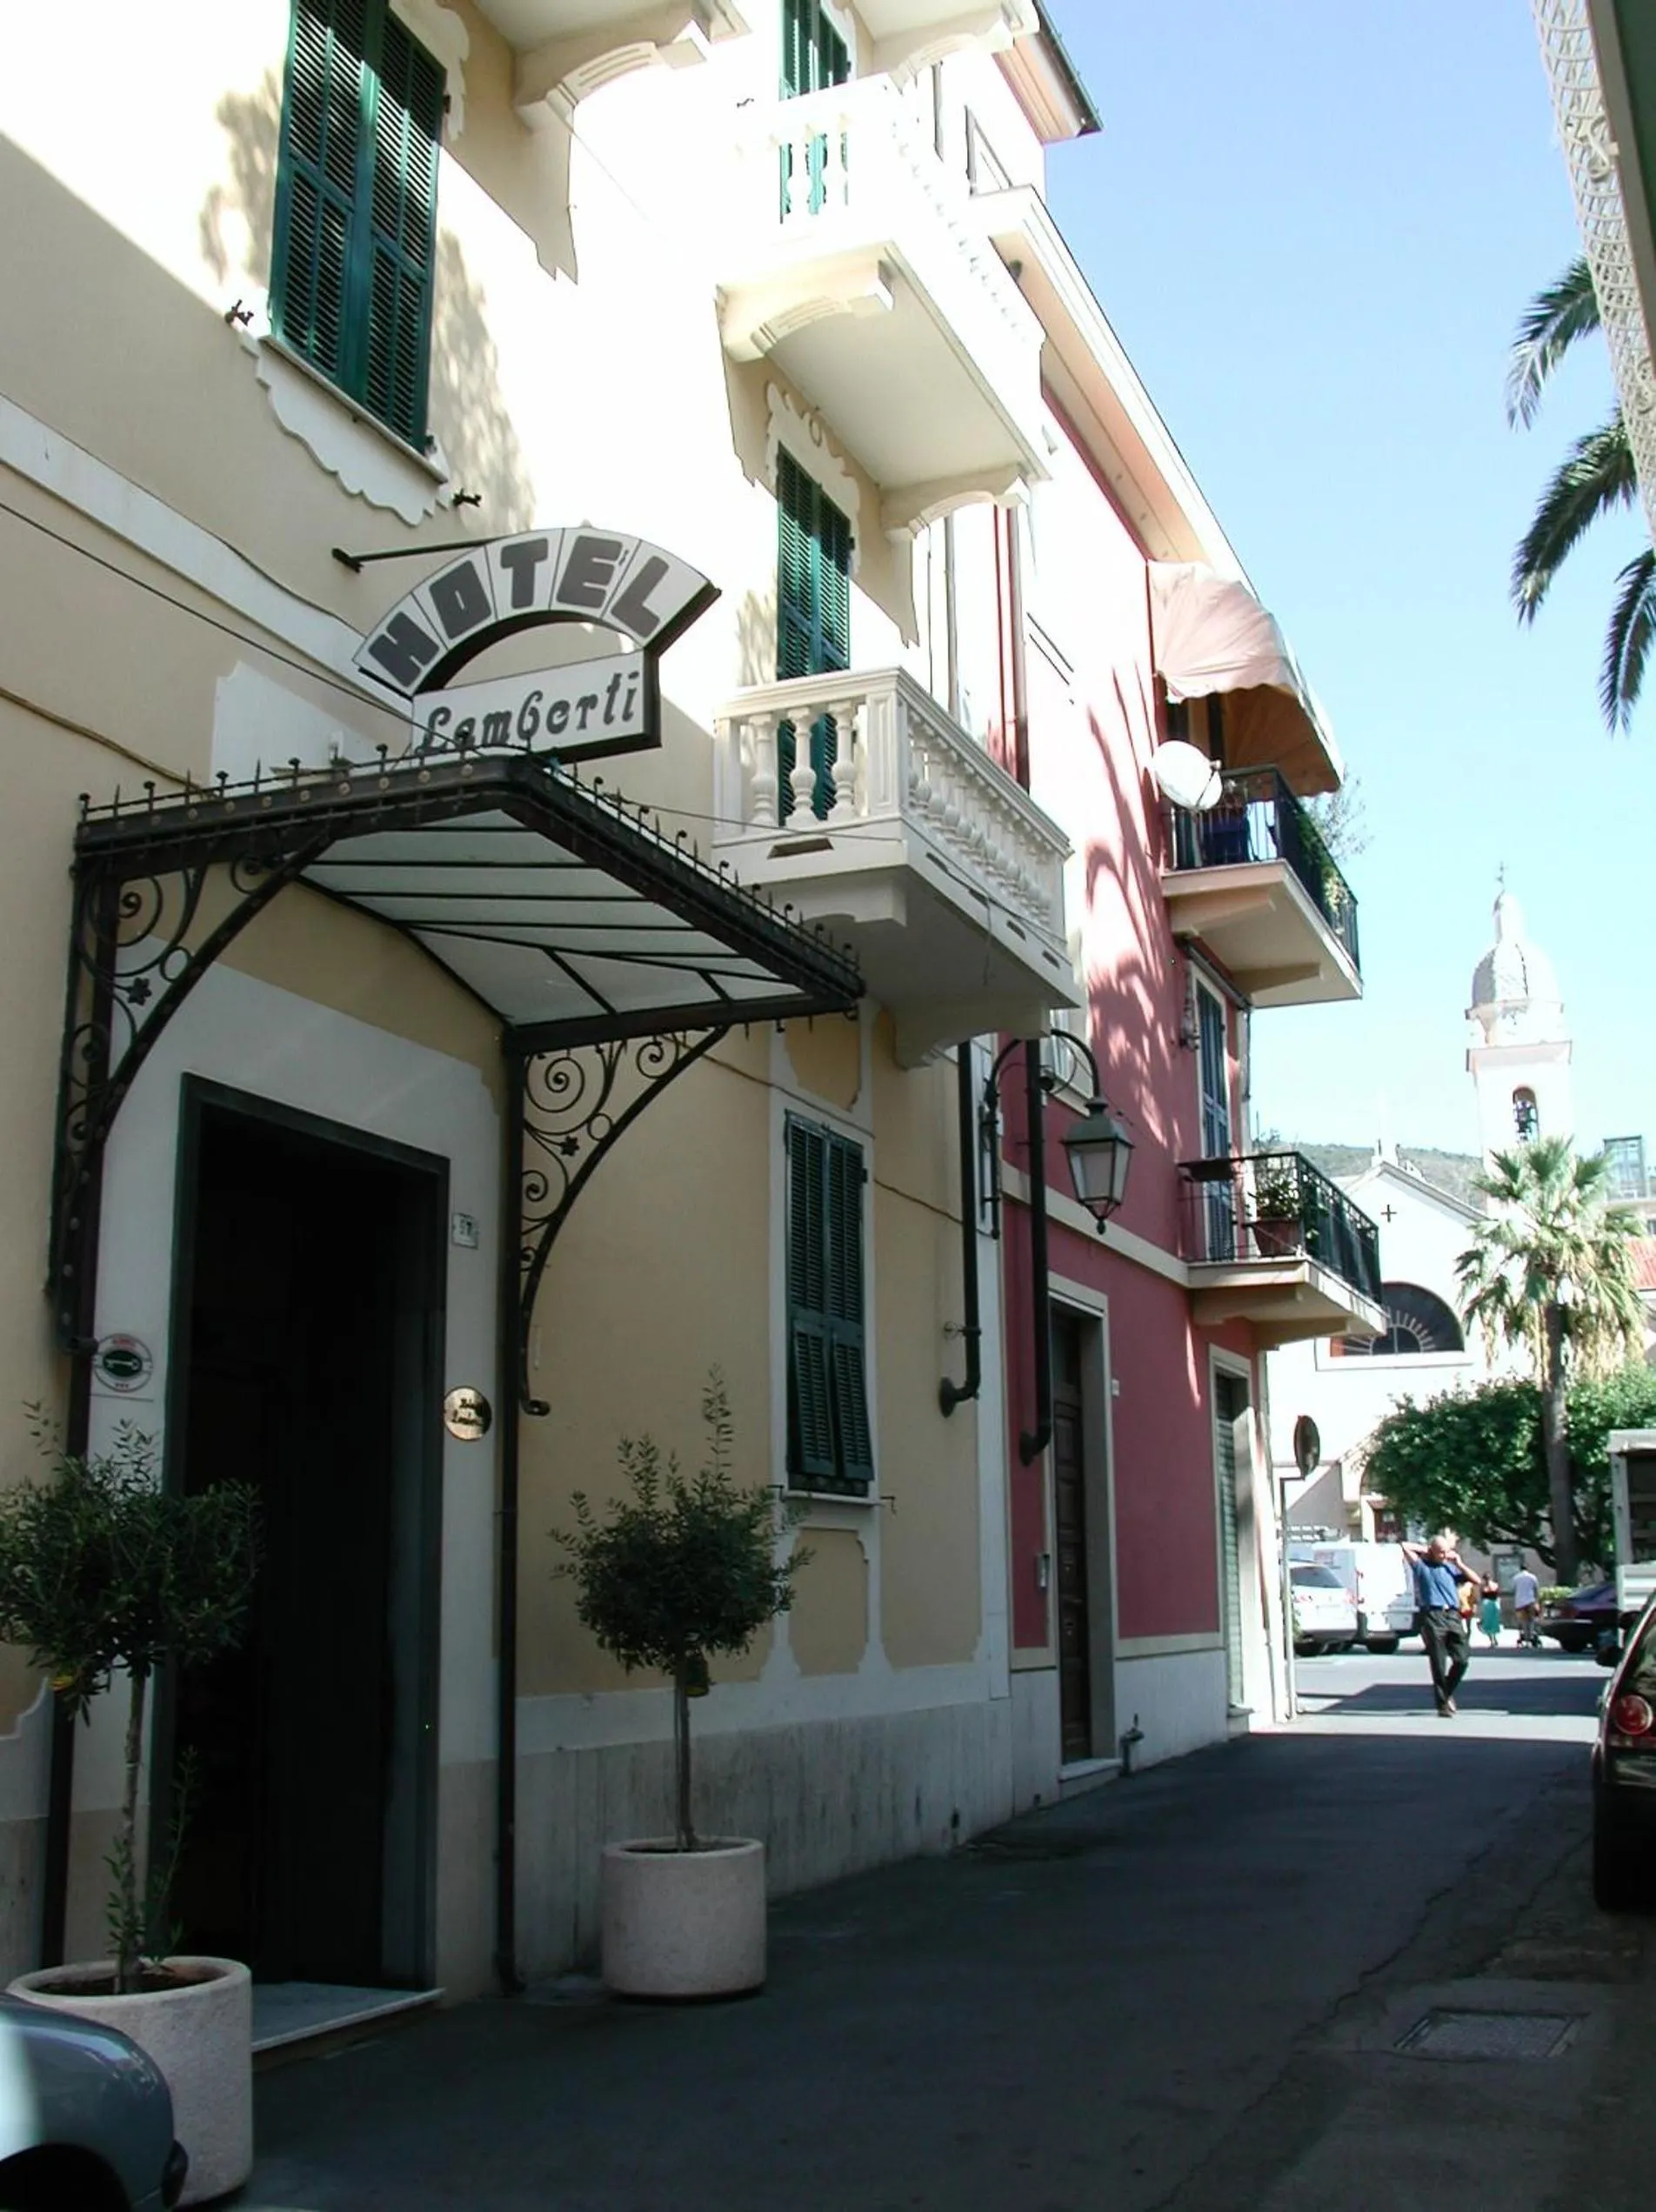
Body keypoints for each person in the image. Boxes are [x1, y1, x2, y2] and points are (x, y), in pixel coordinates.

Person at [1401, 1535, 1475, 1715]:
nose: (1444, 1555)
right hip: (1433, 1615)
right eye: (1440, 1552)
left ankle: (1447, 1692)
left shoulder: (1450, 1568)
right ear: (1432, 1551)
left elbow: (1476, 1580)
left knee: (1462, 1659)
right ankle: (1443, 1705)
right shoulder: (1421, 1567)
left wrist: (1459, 1563)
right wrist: (1426, 1549)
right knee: (1438, 1662)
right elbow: (1404, 1546)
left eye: (1446, 1551)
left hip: (1452, 1615)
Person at [1512, 1564, 1541, 1648]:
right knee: (1532, 1620)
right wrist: (1537, 1601)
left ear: (1520, 1569)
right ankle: (1531, 1635)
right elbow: (1536, 1589)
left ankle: (1527, 1641)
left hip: (1520, 1603)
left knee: (1524, 1621)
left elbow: (1513, 1589)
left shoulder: (1516, 1578)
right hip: (1530, 1601)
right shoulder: (1532, 1577)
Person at [1479, 1579, 1503, 1649]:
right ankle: (1494, 1638)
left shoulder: (1484, 1587)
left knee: (1488, 1624)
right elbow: (1498, 1596)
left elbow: (1482, 1598)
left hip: (1487, 1605)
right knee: (1494, 1623)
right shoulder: (1495, 1585)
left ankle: (1492, 1641)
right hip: (1494, 1605)